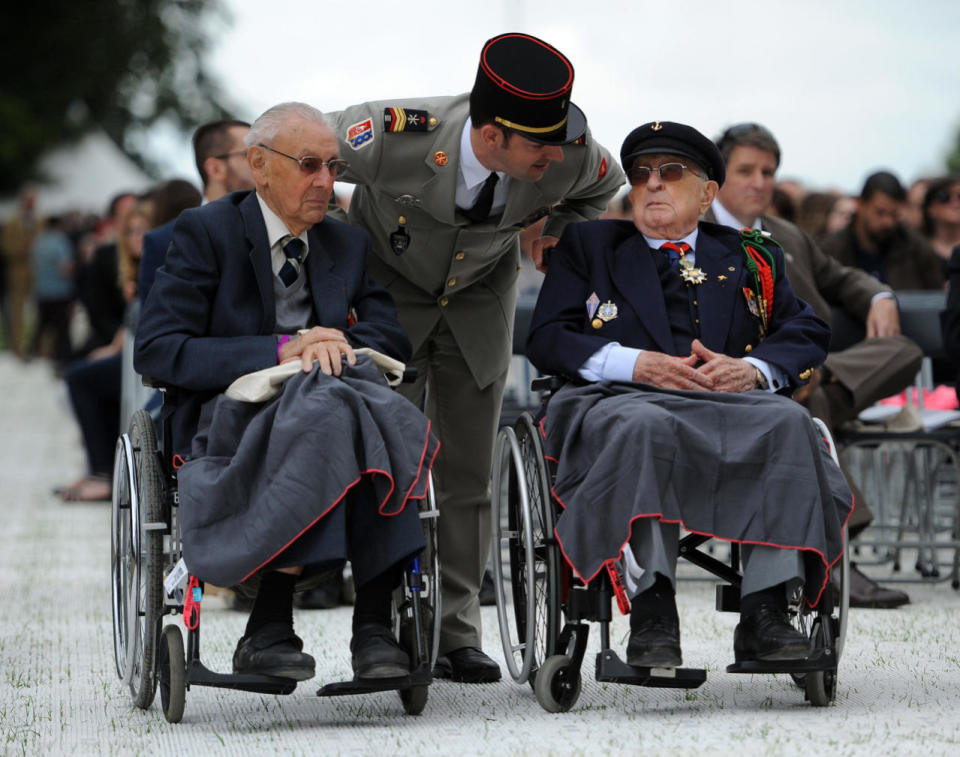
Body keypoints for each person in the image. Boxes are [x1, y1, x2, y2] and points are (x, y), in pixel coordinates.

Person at [324, 32, 624, 683]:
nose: (553, 156)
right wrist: (328, 239)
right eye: (536, 146)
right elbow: (300, 152)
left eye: (556, 142)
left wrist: (558, 234)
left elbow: (606, 184)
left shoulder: (566, 156)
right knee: (389, 463)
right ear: (491, 135)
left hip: (478, 305)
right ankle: (389, 615)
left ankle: (458, 629)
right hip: (386, 301)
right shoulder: (391, 133)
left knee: (467, 474)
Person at [527, 121, 852, 668]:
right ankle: (653, 607)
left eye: (670, 172)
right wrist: (635, 364)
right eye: (641, 174)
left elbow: (807, 330)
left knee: (789, 424)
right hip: (622, 402)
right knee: (646, 428)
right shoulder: (590, 246)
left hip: (730, 405)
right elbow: (548, 337)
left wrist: (752, 368)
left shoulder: (751, 255)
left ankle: (766, 612)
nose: (652, 184)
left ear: (707, 193)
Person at [135, 102, 436, 682]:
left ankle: (307, 622)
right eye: (308, 165)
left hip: (331, 402)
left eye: (332, 166)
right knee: (347, 409)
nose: (325, 181)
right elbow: (158, 349)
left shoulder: (344, 244)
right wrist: (283, 349)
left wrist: (332, 342)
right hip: (231, 413)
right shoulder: (206, 232)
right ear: (259, 165)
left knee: (346, 403)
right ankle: (337, 619)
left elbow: (387, 333)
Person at [706, 122, 918, 609]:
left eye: (768, 171)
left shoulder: (787, 235)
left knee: (901, 350)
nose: (761, 182)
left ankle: (812, 386)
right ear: (718, 175)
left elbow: (843, 279)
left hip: (811, 377)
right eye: (747, 170)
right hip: (747, 385)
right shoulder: (696, 236)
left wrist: (880, 296)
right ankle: (840, 561)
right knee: (803, 409)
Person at [139, 120, 254, 301]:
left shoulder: (275, 231)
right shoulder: (163, 240)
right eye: (249, 154)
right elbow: (156, 323)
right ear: (215, 169)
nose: (262, 164)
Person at [820, 171, 945, 289]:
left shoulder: (916, 248)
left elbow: (934, 297)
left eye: (894, 215)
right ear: (860, 204)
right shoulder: (830, 250)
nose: (888, 222)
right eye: (880, 213)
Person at [921, 175, 960, 272]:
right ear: (930, 208)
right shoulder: (916, 251)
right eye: (945, 197)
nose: (955, 203)